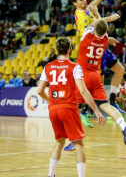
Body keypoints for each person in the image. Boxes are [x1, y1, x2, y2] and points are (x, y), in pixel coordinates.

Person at [37, 37, 106, 177]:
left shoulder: (48, 66)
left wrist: (52, 100)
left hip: (53, 108)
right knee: (79, 144)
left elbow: (39, 91)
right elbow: (83, 91)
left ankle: (50, 174)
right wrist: (96, 110)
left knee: (59, 141)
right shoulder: (74, 67)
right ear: (69, 50)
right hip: (68, 107)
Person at [65, 19, 126, 151]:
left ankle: (75, 140)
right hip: (96, 75)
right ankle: (124, 127)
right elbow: (102, 31)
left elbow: (92, 23)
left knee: (75, 108)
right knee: (105, 105)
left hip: (83, 74)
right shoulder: (105, 40)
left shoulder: (88, 35)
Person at [71, 0, 125, 124]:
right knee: (95, 81)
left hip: (100, 42)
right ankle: (83, 110)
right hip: (92, 46)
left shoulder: (86, 8)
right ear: (75, 4)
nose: (85, 1)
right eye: (81, 0)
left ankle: (112, 101)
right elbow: (96, 22)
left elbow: (94, 4)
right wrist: (110, 18)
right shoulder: (81, 16)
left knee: (120, 70)